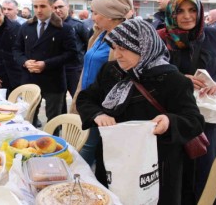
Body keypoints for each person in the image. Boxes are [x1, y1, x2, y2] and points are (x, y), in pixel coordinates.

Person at [77, 19, 205, 204]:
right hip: (114, 158)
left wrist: (169, 121)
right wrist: (98, 115)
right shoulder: (111, 71)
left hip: (156, 165)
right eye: (115, 47)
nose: (117, 55)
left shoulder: (172, 80)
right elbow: (86, 98)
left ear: (144, 46)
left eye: (124, 48)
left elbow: (194, 121)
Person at [157, 0, 216, 205]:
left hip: (207, 117)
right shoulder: (160, 38)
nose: (187, 16)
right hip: (174, 117)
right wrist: (179, 79)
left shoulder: (213, 36)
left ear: (200, 12)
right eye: (180, 11)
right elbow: (150, 72)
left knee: (206, 169)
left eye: (192, 10)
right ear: (171, 14)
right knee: (177, 171)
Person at [71, 0, 134, 166]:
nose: (93, 17)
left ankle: (74, 182)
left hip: (104, 105)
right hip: (88, 98)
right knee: (88, 144)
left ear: (111, 15)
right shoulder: (99, 35)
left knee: (88, 146)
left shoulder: (123, 40)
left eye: (96, 12)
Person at [13, 0, 77, 124]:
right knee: (29, 117)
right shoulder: (26, 27)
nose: (38, 10)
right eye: (35, 6)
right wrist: (25, 62)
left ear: (52, 7)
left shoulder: (64, 28)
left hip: (53, 80)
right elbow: (16, 50)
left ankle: (54, 143)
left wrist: (46, 64)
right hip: (30, 78)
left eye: (42, 6)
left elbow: (71, 54)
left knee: (54, 120)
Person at [53, 0, 89, 110]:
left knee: (78, 100)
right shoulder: (50, 26)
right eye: (54, 8)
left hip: (74, 69)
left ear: (67, 7)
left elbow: (89, 45)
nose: (57, 10)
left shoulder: (78, 25)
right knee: (58, 103)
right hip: (57, 70)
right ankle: (60, 125)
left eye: (60, 7)